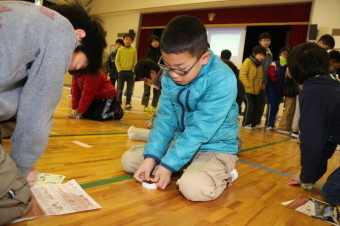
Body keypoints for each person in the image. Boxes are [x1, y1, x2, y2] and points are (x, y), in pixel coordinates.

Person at [0, 0, 106, 224]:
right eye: (76, 65)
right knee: (18, 197)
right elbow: (36, 114)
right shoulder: (61, 32)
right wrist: (20, 171)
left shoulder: (19, 12)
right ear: (78, 35)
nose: (67, 69)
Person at [121, 15, 239, 202]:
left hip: (214, 147)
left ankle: (225, 173)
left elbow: (199, 130)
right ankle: (185, 165)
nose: (173, 74)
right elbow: (165, 120)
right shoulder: (169, 76)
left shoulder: (223, 79)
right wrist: (152, 157)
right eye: (167, 66)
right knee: (129, 162)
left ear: (204, 58)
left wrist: (167, 164)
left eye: (181, 68)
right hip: (181, 143)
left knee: (193, 189)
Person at [284, 42, 340, 206]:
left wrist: (306, 176)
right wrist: (311, 175)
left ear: (293, 72)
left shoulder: (312, 92)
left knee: (332, 192)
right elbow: (326, 139)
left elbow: (312, 142)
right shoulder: (330, 82)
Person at [239, 45, 266, 129]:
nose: (262, 57)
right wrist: (248, 85)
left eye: (263, 55)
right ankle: (246, 123)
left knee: (257, 106)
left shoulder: (260, 65)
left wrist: (259, 87)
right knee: (250, 105)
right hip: (246, 89)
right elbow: (242, 75)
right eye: (260, 54)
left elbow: (260, 77)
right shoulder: (247, 61)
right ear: (254, 54)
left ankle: (255, 123)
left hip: (256, 90)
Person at [265, 47, 289, 130]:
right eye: (283, 54)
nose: (285, 56)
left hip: (281, 89)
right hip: (272, 88)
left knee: (276, 107)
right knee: (272, 106)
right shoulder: (274, 63)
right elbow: (271, 74)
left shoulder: (287, 67)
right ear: (280, 54)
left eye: (286, 55)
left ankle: (272, 123)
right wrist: (276, 81)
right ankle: (268, 124)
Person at [115, 33, 138, 110]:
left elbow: (135, 62)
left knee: (129, 89)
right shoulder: (120, 49)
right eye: (126, 39)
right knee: (119, 89)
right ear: (124, 40)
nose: (128, 41)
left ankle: (128, 103)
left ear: (132, 41)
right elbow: (117, 61)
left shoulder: (133, 50)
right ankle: (118, 102)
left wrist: (134, 71)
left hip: (130, 72)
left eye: (130, 40)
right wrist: (120, 70)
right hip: (121, 72)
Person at [256, 32, 273, 128]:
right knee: (257, 102)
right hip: (259, 81)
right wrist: (262, 82)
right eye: (264, 40)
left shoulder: (270, 54)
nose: (266, 42)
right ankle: (254, 122)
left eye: (268, 40)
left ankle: (258, 122)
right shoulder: (257, 52)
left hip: (267, 82)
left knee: (263, 102)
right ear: (260, 41)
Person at [142, 35, 161, 112]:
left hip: (158, 74)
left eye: (156, 41)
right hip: (148, 73)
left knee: (156, 91)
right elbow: (147, 62)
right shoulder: (149, 51)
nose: (155, 43)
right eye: (153, 42)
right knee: (147, 90)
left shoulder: (161, 52)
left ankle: (154, 105)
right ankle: (145, 105)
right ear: (150, 43)